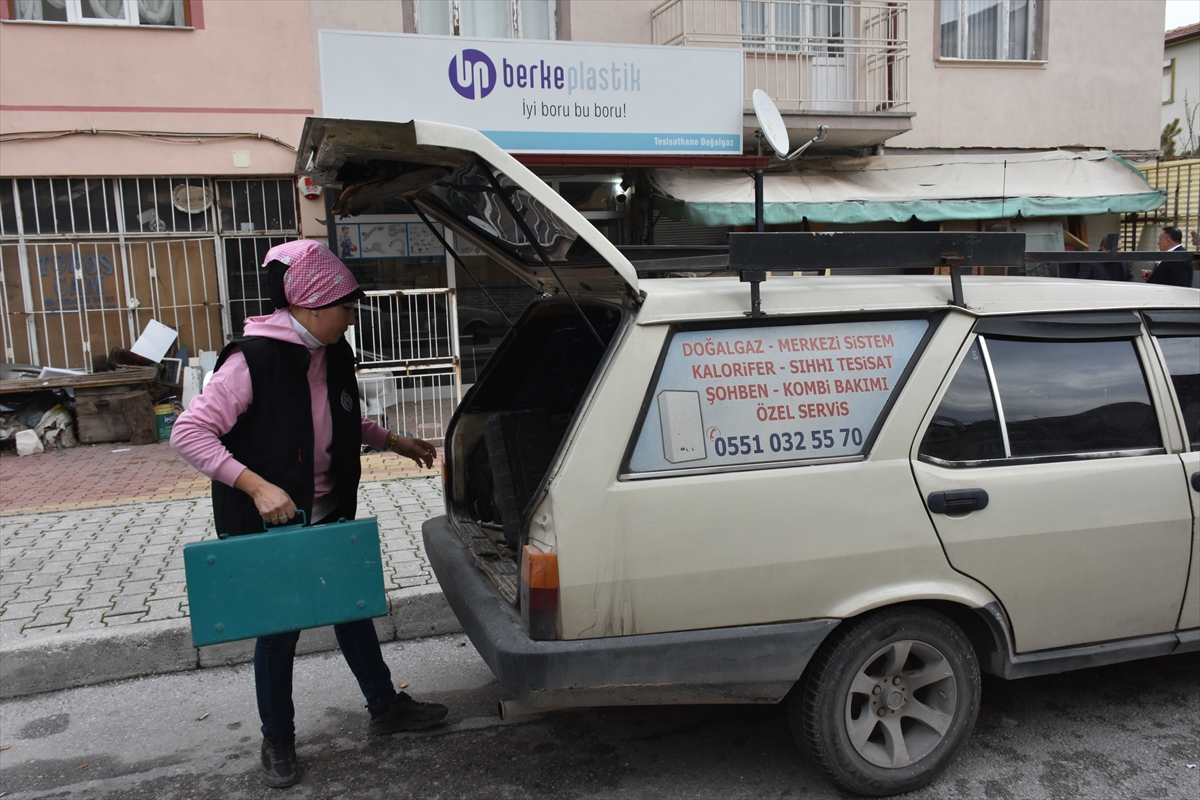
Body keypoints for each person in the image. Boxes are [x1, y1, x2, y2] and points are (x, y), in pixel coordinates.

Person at [171, 240, 446, 788]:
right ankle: (278, 739)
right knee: (280, 630)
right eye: (346, 309)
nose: (351, 318)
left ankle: (385, 708)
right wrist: (256, 487)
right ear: (313, 307)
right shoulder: (250, 362)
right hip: (273, 520)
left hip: (328, 507)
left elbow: (339, 419)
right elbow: (189, 432)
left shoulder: (332, 353)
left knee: (351, 608)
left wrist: (392, 438)